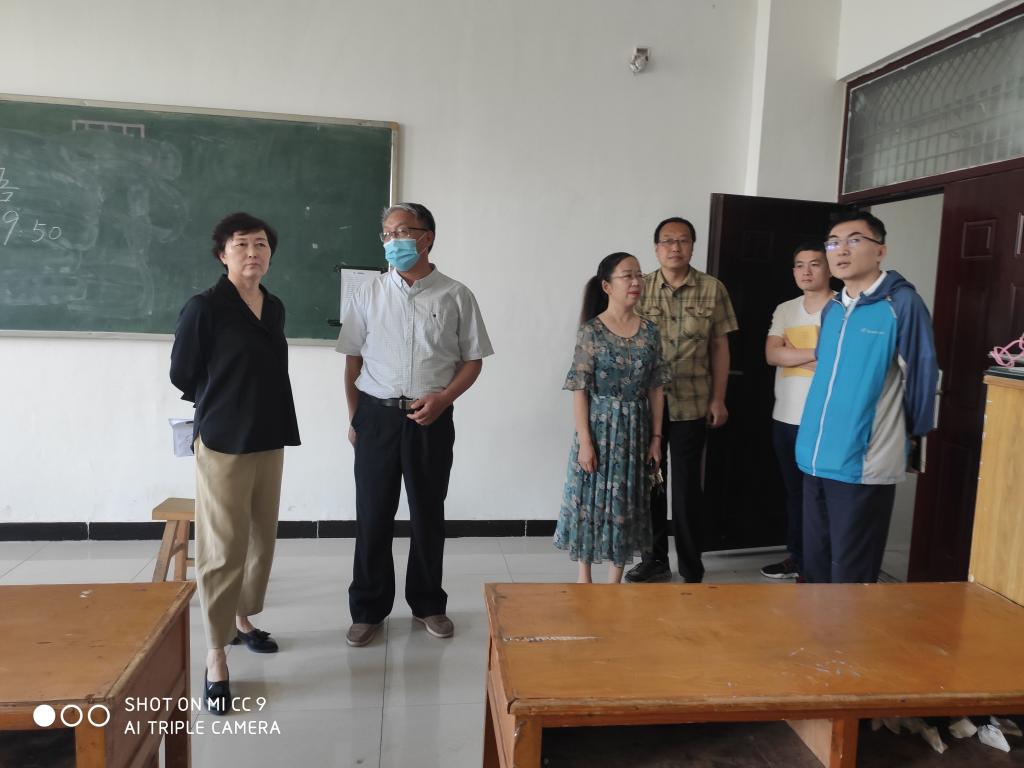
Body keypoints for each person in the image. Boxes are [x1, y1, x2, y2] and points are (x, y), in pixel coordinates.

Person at [336, 202, 492, 647]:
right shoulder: (367, 294)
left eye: (402, 231)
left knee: (427, 514)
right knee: (373, 515)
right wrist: (355, 418)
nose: (393, 241)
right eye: (387, 234)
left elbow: (472, 361)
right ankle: (368, 609)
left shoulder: (456, 295)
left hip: (431, 418)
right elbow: (352, 362)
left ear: (427, 238)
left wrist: (444, 399)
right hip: (377, 417)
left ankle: (428, 604)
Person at [170, 212, 300, 715]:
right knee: (223, 546)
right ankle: (215, 654)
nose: (253, 252)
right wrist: (221, 400)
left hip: (270, 433)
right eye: (242, 244)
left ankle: (242, 620)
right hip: (224, 438)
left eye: (261, 244)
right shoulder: (205, 307)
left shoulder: (275, 306)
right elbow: (183, 373)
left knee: (260, 538)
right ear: (222, 253)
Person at [796, 210, 938, 584]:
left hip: (863, 461)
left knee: (851, 576)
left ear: (880, 250)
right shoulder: (832, 309)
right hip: (814, 456)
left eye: (854, 240)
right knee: (815, 567)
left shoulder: (902, 304)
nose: (841, 250)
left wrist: (911, 439)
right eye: (833, 243)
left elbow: (921, 378)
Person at [625, 217, 738, 584]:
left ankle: (691, 565)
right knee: (651, 485)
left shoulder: (712, 289)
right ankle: (654, 559)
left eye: (683, 240)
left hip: (692, 403)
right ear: (656, 248)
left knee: (687, 490)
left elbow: (720, 347)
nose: (675, 247)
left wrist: (719, 399)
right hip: (647, 406)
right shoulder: (640, 287)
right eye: (668, 241)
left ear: (692, 246)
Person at [553, 253, 669, 583]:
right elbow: (579, 389)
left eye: (639, 275)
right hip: (599, 428)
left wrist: (656, 439)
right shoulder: (591, 331)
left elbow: (656, 388)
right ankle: (585, 578)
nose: (636, 282)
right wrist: (585, 442)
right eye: (627, 276)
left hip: (635, 430)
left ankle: (614, 582)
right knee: (589, 499)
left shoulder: (650, 332)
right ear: (607, 286)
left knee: (626, 502)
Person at [760, 243, 835, 580]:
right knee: (795, 494)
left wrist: (794, 352)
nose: (806, 271)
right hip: (785, 418)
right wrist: (816, 353)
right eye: (799, 265)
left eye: (814, 264)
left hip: (823, 419)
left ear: (828, 268)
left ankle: (818, 567)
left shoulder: (842, 307)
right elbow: (771, 355)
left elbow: (837, 362)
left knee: (821, 497)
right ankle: (798, 557)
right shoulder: (786, 309)